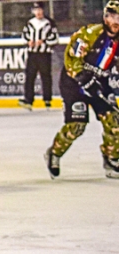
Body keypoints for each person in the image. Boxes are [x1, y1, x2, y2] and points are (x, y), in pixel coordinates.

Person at [45, 1, 119, 180]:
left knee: (114, 122)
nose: (117, 20)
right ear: (105, 17)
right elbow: (72, 59)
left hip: (100, 83)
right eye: (114, 16)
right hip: (74, 83)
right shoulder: (89, 34)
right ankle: (54, 153)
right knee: (76, 126)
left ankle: (111, 158)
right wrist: (84, 79)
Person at [19, 2, 59, 110]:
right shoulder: (30, 23)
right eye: (36, 10)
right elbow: (24, 36)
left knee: (45, 76)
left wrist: (44, 42)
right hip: (32, 54)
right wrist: (29, 42)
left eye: (40, 9)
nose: (38, 12)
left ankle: (47, 99)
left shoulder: (49, 23)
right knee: (30, 76)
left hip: (44, 54)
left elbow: (55, 38)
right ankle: (28, 99)